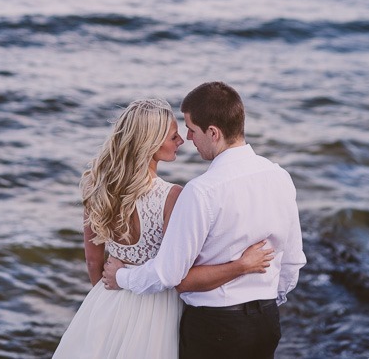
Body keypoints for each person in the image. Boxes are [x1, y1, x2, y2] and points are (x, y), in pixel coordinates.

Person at [52, 97, 274, 359]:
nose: (181, 140)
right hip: (158, 310)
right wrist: (241, 265)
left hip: (107, 298)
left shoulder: (96, 186)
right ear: (150, 144)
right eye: (173, 136)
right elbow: (178, 272)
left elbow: (92, 261)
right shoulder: (172, 196)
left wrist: (106, 301)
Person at [104, 83, 306, 359]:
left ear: (213, 133)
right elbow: (292, 261)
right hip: (266, 324)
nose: (187, 138)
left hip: (214, 327)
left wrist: (121, 276)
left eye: (192, 129)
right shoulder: (280, 177)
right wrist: (266, 301)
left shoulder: (201, 191)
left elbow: (169, 275)